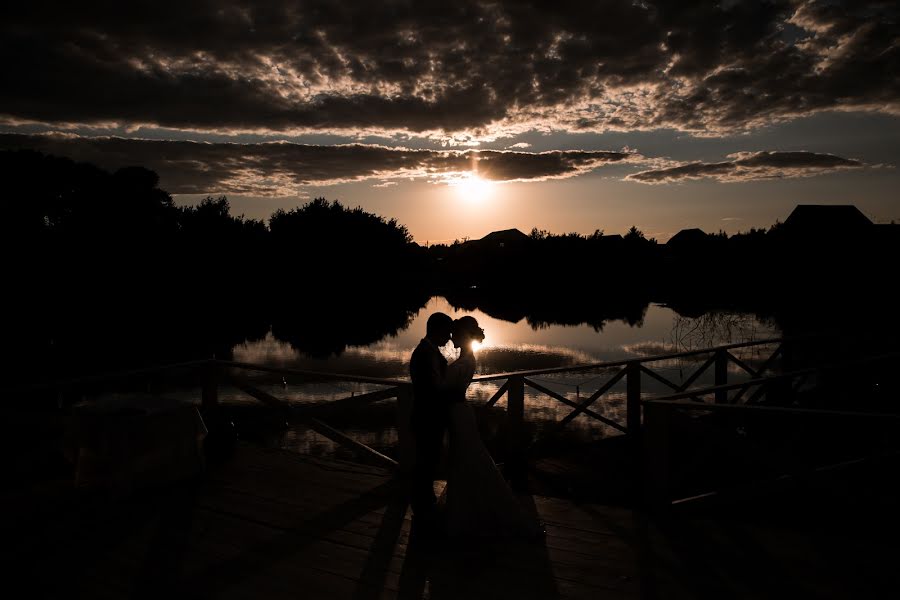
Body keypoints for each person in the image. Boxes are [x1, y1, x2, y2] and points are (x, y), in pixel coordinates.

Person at [440, 316, 545, 539]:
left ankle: (467, 512)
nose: (451, 338)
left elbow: (444, 390)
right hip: (460, 412)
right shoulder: (467, 359)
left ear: (464, 336)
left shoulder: (463, 363)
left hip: (458, 413)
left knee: (468, 457)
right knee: (464, 459)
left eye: (455, 334)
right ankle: (466, 506)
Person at [408, 311, 454, 535]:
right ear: (437, 330)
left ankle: (425, 503)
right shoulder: (424, 353)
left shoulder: (430, 351)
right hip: (427, 417)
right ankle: (422, 507)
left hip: (430, 417)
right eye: (447, 332)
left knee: (429, 460)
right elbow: (430, 389)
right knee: (425, 462)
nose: (450, 337)